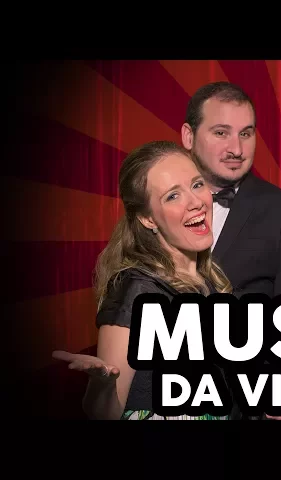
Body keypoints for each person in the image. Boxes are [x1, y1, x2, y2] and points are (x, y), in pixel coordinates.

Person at [52, 140, 236, 420]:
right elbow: (105, 414)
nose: (196, 202)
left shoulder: (208, 279)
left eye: (197, 185)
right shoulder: (136, 290)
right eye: (173, 196)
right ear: (147, 219)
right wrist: (103, 385)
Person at [180, 81, 281, 299]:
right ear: (189, 136)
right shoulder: (157, 204)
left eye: (245, 134)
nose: (237, 150)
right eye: (221, 133)